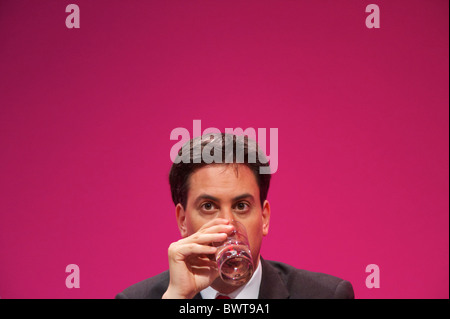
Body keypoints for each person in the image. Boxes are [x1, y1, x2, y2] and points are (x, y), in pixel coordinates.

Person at [116, 133, 354, 299]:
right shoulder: (136, 298)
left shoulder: (327, 295)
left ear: (265, 217)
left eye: (241, 205)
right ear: (182, 220)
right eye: (208, 206)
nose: (228, 225)